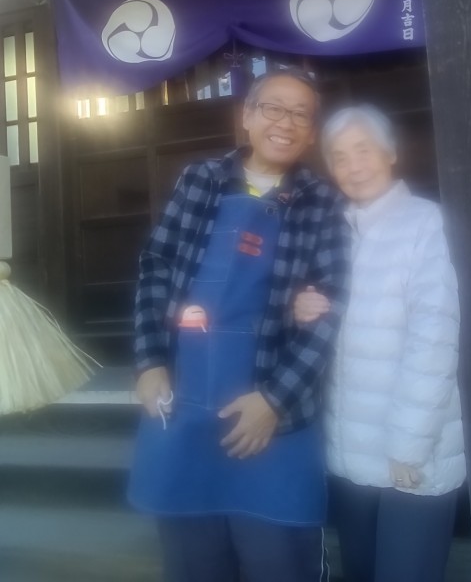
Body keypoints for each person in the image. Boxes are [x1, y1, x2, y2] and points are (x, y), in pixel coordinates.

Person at [128, 68, 350, 582]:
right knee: (195, 564)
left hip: (277, 423)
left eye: (300, 114)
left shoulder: (322, 202)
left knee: (279, 562)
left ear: (311, 133)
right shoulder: (201, 180)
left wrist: (275, 400)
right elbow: (157, 266)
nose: (286, 122)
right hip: (186, 405)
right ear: (246, 116)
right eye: (273, 108)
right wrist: (150, 360)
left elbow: (329, 308)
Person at [295, 104, 465, 582]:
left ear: (390, 154)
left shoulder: (424, 223)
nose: (353, 166)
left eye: (363, 150)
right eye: (339, 156)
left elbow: (435, 336)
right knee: (362, 572)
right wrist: (300, 308)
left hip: (412, 452)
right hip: (351, 452)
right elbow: (315, 325)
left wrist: (410, 443)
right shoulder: (333, 231)